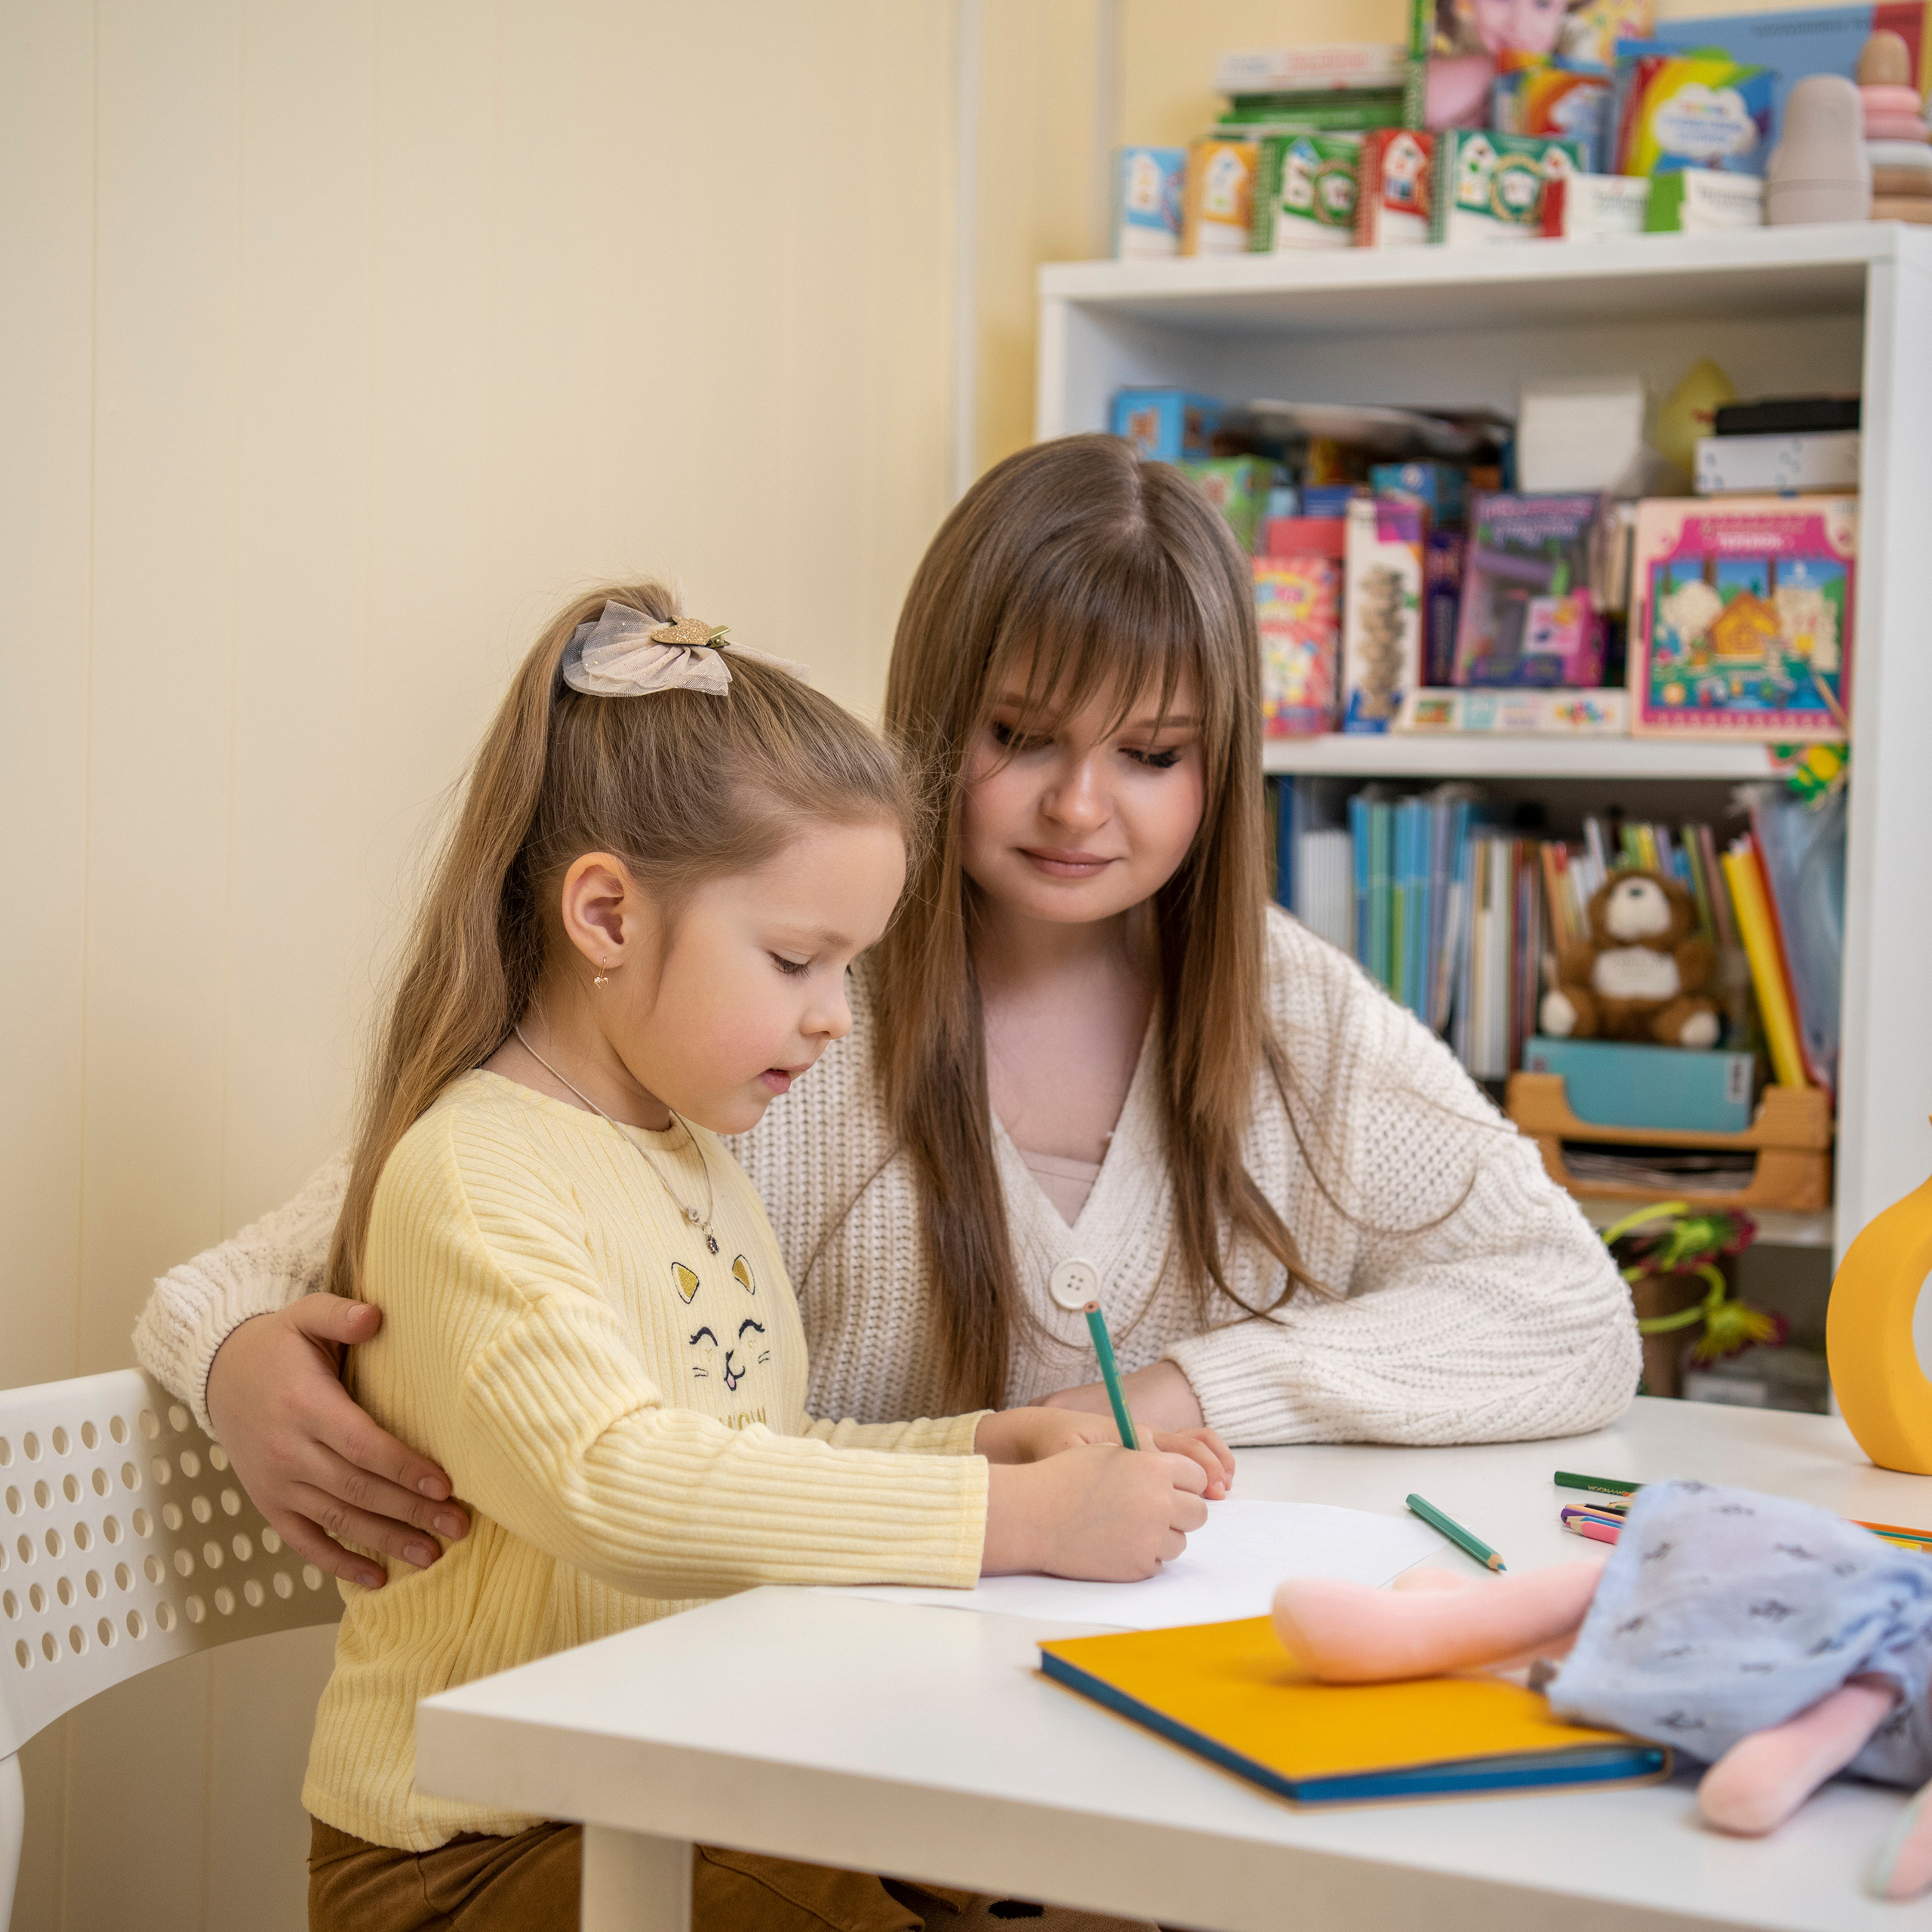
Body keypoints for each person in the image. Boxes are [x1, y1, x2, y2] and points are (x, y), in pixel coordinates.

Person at [136, 433, 1638, 1599]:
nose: (1078, 805)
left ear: (1220, 765)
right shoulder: (773, 990)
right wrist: (233, 1354)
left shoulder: (1289, 1010)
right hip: (798, 1713)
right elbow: (377, 1220)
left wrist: (1188, 1392)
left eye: (1151, 753)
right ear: (932, 715)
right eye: (1019, 736)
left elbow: (1569, 1308)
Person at [293, 584, 1225, 1931]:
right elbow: (621, 1485)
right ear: (606, 917)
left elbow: (750, 1448)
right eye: (798, 960)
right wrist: (1013, 1521)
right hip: (476, 1850)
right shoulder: (475, 1180)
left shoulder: (687, 1153)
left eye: (850, 969)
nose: (837, 1018)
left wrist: (976, 1449)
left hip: (671, 1788)